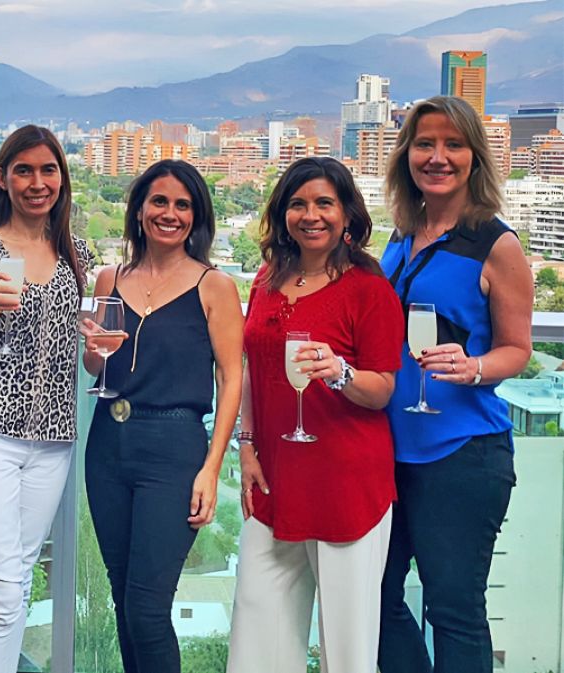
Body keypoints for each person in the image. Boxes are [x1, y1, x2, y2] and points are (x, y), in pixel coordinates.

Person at [227, 157, 404, 673]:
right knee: (256, 631)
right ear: (283, 214)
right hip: (275, 477)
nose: (311, 215)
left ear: (347, 213)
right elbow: (254, 366)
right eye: (298, 204)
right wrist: (247, 444)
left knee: (346, 648)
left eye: (324, 202)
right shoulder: (265, 280)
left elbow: (382, 390)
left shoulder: (369, 290)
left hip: (346, 482)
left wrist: (341, 372)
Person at [377, 96, 532, 673]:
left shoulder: (498, 245)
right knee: (377, 598)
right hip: (389, 452)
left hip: (463, 454)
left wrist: (474, 367)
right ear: (407, 155)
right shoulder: (400, 237)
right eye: (425, 144)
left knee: (454, 609)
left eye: (452, 145)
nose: (437, 157)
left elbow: (518, 349)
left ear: (474, 158)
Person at [82, 159, 244, 673]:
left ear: (196, 217)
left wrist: (212, 468)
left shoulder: (213, 285)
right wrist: (94, 350)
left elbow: (231, 379)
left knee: (148, 609)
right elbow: (97, 363)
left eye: (182, 204)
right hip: (107, 442)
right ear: (139, 209)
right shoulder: (112, 276)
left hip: (173, 449)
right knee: (123, 599)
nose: (169, 213)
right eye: (159, 201)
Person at [0, 125, 91, 673]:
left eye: (48, 170)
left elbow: (72, 341)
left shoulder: (71, 248)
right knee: (3, 587)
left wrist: (94, 343)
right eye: (23, 170)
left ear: (62, 177)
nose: (36, 182)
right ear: (3, 178)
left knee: (20, 581)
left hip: (52, 440)